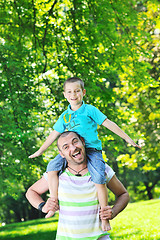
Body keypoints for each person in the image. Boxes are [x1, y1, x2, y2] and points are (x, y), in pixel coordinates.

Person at [29, 77, 140, 231]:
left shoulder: (90, 110)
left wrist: (127, 138)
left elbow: (109, 124)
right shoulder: (65, 116)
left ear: (83, 92)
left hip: (91, 151)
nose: (73, 94)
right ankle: (53, 203)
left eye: (77, 91)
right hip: (72, 152)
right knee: (52, 167)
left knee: (99, 177)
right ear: (64, 94)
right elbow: (54, 135)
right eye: (69, 92)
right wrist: (41, 150)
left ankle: (105, 217)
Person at [26, 131, 130, 240]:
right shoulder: (56, 174)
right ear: (61, 154)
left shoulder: (100, 170)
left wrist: (113, 212)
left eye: (75, 142)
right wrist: (43, 207)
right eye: (66, 147)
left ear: (83, 142)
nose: (73, 148)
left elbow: (124, 194)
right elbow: (31, 192)